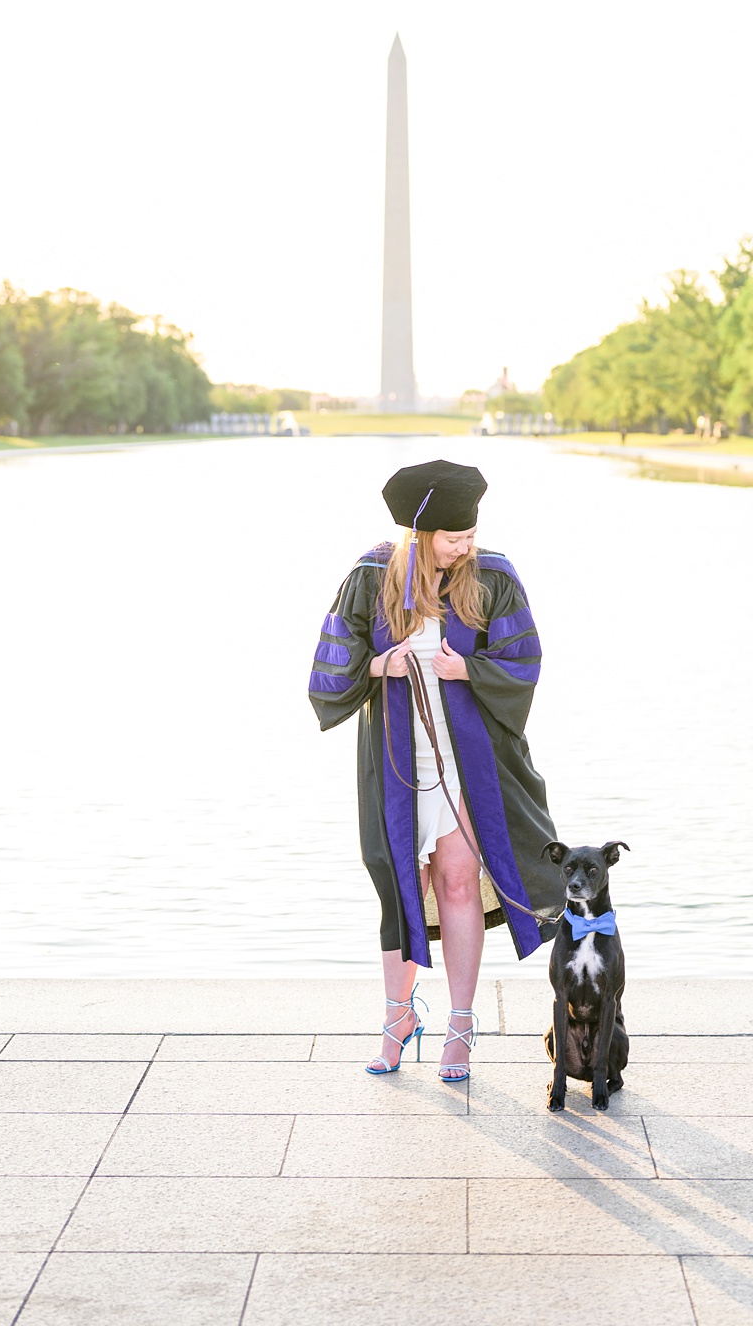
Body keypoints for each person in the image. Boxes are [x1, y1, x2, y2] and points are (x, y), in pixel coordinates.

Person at [307, 458, 564, 1082]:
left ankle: (460, 1026)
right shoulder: (372, 577)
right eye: (454, 538)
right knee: (400, 887)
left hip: (470, 762)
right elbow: (331, 663)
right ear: (421, 535)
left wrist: (467, 671)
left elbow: (525, 662)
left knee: (455, 883)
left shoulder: (493, 577)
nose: (465, 547)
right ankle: (398, 1019)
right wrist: (381, 666)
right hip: (397, 757)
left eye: (470, 536)